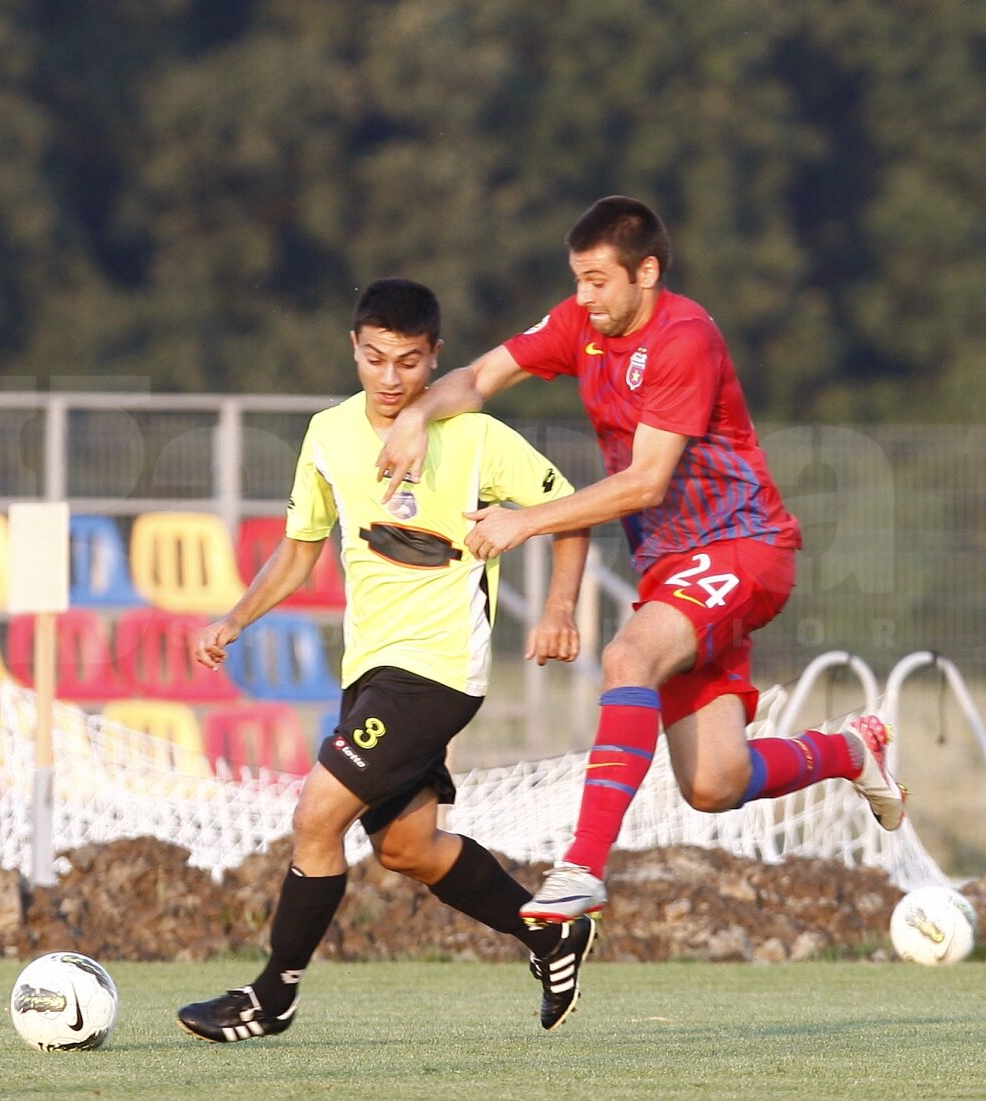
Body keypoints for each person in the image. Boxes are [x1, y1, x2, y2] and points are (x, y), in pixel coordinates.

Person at [375, 196, 906, 924]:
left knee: (628, 659)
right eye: (578, 279)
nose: (583, 296)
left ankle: (582, 867)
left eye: (597, 280)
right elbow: (478, 377)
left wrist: (525, 520)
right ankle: (850, 750)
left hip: (744, 548)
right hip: (676, 570)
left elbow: (646, 481)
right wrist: (415, 414)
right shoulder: (581, 324)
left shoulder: (684, 337)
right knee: (714, 782)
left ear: (646, 271)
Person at [177, 278, 595, 1043]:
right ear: (355, 351)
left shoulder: (475, 436)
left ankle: (271, 998)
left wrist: (562, 608)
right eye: (375, 359)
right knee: (407, 848)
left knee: (315, 814)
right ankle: (547, 934)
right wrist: (234, 618)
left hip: (438, 670)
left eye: (409, 361)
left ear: (436, 356)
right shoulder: (329, 433)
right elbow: (301, 553)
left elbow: (569, 511)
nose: (392, 378)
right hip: (370, 671)